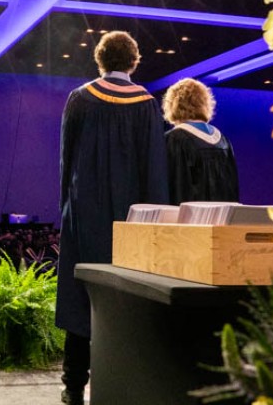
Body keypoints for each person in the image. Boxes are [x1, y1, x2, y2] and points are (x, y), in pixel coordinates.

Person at [55, 31, 169, 405]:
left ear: (99, 59)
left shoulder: (80, 99)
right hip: (130, 223)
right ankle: (124, 386)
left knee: (81, 298)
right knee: (127, 301)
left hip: (84, 216)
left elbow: (66, 162)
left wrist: (68, 211)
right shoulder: (147, 105)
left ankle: (73, 387)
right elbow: (154, 170)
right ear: (133, 61)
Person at [161, 78, 239, 204]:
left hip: (189, 221)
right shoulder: (223, 141)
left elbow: (173, 189)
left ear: (172, 105)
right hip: (221, 220)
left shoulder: (174, 140)